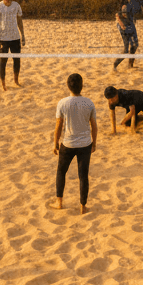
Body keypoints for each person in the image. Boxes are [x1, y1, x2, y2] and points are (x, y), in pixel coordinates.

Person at [53, 73, 97, 213]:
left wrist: (55, 142)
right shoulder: (89, 103)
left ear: (68, 86)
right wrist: (94, 143)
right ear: (81, 86)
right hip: (85, 144)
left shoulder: (63, 103)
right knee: (83, 176)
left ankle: (59, 202)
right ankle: (83, 206)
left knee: (61, 172)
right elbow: (94, 126)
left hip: (68, 144)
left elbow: (59, 125)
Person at [0, 0, 26, 90]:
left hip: (15, 38)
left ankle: (16, 80)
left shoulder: (16, 5)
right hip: (3, 39)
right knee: (3, 61)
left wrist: (23, 35)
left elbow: (20, 21)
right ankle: (3, 84)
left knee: (17, 60)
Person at [113, 2, 138, 71]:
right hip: (123, 31)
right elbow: (117, 17)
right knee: (126, 51)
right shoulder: (119, 14)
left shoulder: (130, 13)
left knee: (134, 45)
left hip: (129, 28)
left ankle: (130, 65)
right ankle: (115, 64)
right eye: (124, 13)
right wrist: (122, 25)